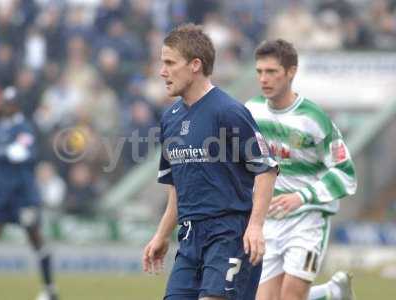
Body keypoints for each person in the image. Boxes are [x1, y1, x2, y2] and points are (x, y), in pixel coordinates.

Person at [142, 24, 278, 300]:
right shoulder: (170, 119)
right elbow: (177, 189)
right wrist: (162, 235)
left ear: (195, 65)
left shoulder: (228, 112)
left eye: (169, 63)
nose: (162, 72)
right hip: (190, 238)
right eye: (162, 63)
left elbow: (267, 168)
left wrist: (255, 226)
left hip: (229, 234)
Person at [245, 39, 357, 300]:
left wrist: (301, 197)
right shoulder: (251, 111)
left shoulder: (314, 119)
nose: (264, 79)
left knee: (291, 296)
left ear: (291, 71)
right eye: (260, 71)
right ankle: (330, 294)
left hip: (308, 219)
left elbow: (345, 173)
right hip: (269, 221)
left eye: (271, 71)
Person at [0, 87, 58, 300]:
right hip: (1, 196)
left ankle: (50, 289)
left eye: (10, 102)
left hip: (23, 196)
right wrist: (6, 152)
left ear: (17, 105)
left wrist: (3, 152)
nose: (6, 106)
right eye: (5, 101)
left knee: (35, 237)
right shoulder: (0, 127)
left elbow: (21, 153)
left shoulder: (25, 128)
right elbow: (11, 153)